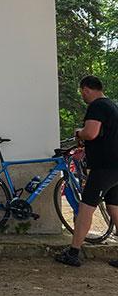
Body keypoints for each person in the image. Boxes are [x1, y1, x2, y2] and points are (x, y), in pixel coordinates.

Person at [55, 75, 118, 268]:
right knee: (114, 209)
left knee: (85, 208)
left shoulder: (97, 106)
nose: (82, 95)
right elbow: (103, 136)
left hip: (104, 168)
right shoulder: (112, 106)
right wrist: (87, 150)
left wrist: (78, 132)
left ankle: (73, 253)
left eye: (81, 91)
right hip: (115, 166)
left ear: (86, 89)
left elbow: (90, 132)